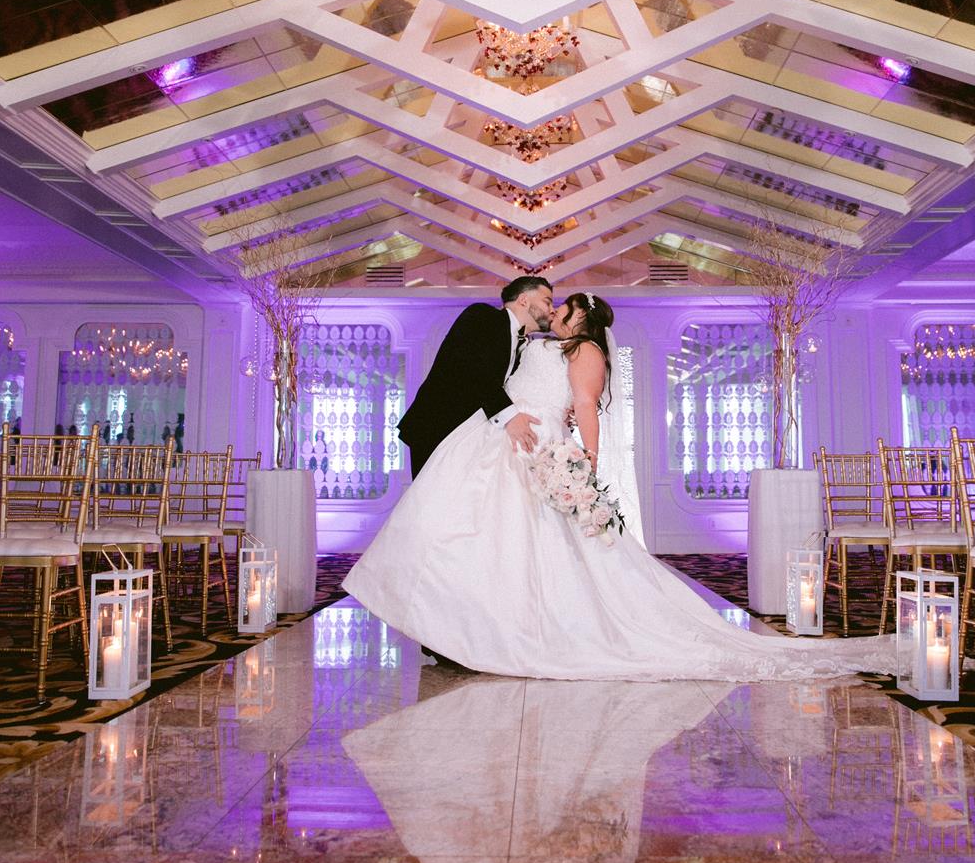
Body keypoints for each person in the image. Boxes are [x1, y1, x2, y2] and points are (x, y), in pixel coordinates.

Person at [345, 291, 895, 682]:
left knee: (531, 542)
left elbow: (585, 406)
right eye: (551, 304)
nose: (554, 311)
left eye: (562, 307)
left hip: (538, 444)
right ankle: (465, 628)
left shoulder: (586, 352)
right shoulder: (537, 343)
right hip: (498, 440)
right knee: (474, 534)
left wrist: (586, 460)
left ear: (581, 316)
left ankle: (522, 629)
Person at [395, 275, 555, 478]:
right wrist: (510, 416)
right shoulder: (482, 316)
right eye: (547, 302)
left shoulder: (525, 344)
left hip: (473, 437)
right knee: (432, 495)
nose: (552, 310)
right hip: (438, 426)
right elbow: (471, 366)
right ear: (523, 300)